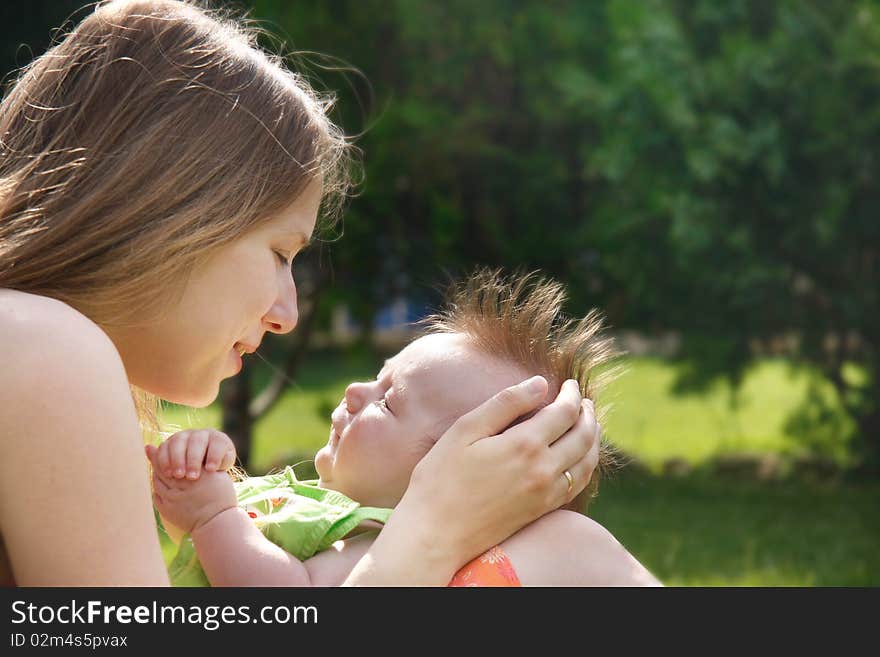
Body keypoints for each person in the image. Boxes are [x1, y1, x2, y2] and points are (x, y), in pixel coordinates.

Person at [0, 0, 600, 586]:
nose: (287, 315)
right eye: (281, 252)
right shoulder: (48, 347)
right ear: (170, 215)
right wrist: (434, 529)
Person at [149, 270, 660, 586]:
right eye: (378, 377)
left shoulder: (372, 544)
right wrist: (197, 481)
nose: (354, 390)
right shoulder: (324, 513)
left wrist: (214, 516)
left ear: (449, 474)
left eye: (388, 403)